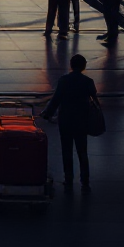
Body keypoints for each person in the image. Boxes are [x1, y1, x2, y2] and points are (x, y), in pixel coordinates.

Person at [41, 53, 99, 194]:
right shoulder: (88, 81)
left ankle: (68, 177)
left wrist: (47, 113)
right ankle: (85, 179)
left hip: (66, 120)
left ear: (71, 65)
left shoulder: (63, 81)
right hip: (81, 121)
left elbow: (56, 100)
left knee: (66, 150)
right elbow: (94, 98)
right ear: (84, 66)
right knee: (82, 151)